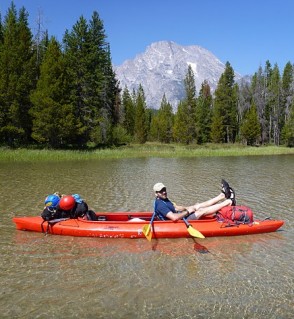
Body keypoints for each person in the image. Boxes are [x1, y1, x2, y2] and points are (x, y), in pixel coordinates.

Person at [152, 180, 236, 221]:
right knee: (201, 211)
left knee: (197, 206)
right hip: (180, 221)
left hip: (181, 215)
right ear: (156, 193)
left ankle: (222, 196)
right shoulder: (160, 205)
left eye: (164, 189)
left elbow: (176, 208)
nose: (164, 192)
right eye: (161, 191)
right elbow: (174, 218)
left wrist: (189, 208)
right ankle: (229, 202)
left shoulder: (164, 199)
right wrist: (188, 212)